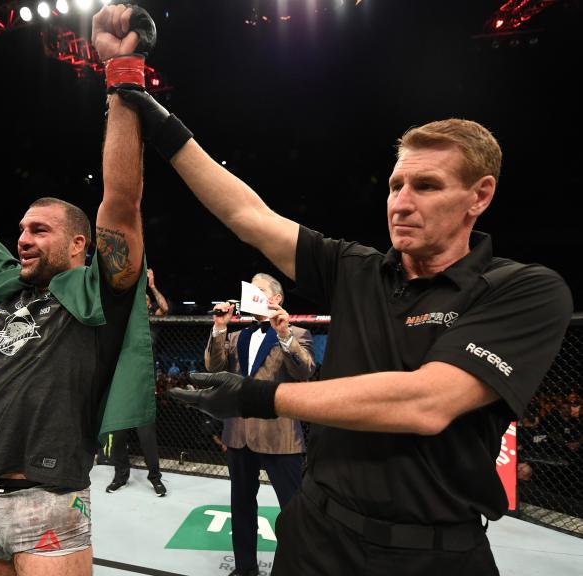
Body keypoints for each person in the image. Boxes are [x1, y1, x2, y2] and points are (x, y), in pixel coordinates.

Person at [120, 93, 572, 575]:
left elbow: (426, 403)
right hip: (315, 531)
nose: (401, 203)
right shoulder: (356, 269)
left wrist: (257, 396)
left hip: (432, 551)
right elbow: (247, 216)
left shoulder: (522, 289)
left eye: (426, 186)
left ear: (479, 196)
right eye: (396, 185)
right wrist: (162, 125)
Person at [0, 5, 156, 575]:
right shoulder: (10, 283)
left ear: (80, 246)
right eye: (20, 229)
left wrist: (122, 74)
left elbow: (121, 202)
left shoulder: (99, 294)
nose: (23, 239)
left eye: (39, 230)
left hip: (49, 504)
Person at [206, 273, 315, 576]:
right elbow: (214, 368)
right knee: (241, 507)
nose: (251, 294)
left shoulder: (297, 332)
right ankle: (245, 569)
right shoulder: (237, 336)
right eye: (250, 290)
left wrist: (283, 335)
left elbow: (305, 371)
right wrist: (219, 328)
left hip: (279, 435)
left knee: (292, 512)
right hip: (239, 434)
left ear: (276, 299)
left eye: (259, 290)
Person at [106, 267, 169, 496]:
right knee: (119, 435)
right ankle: (120, 477)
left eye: (143, 301)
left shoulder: (151, 323)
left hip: (143, 384)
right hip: (122, 385)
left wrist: (151, 286)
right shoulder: (121, 324)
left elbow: (165, 308)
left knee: (147, 435)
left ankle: (155, 478)